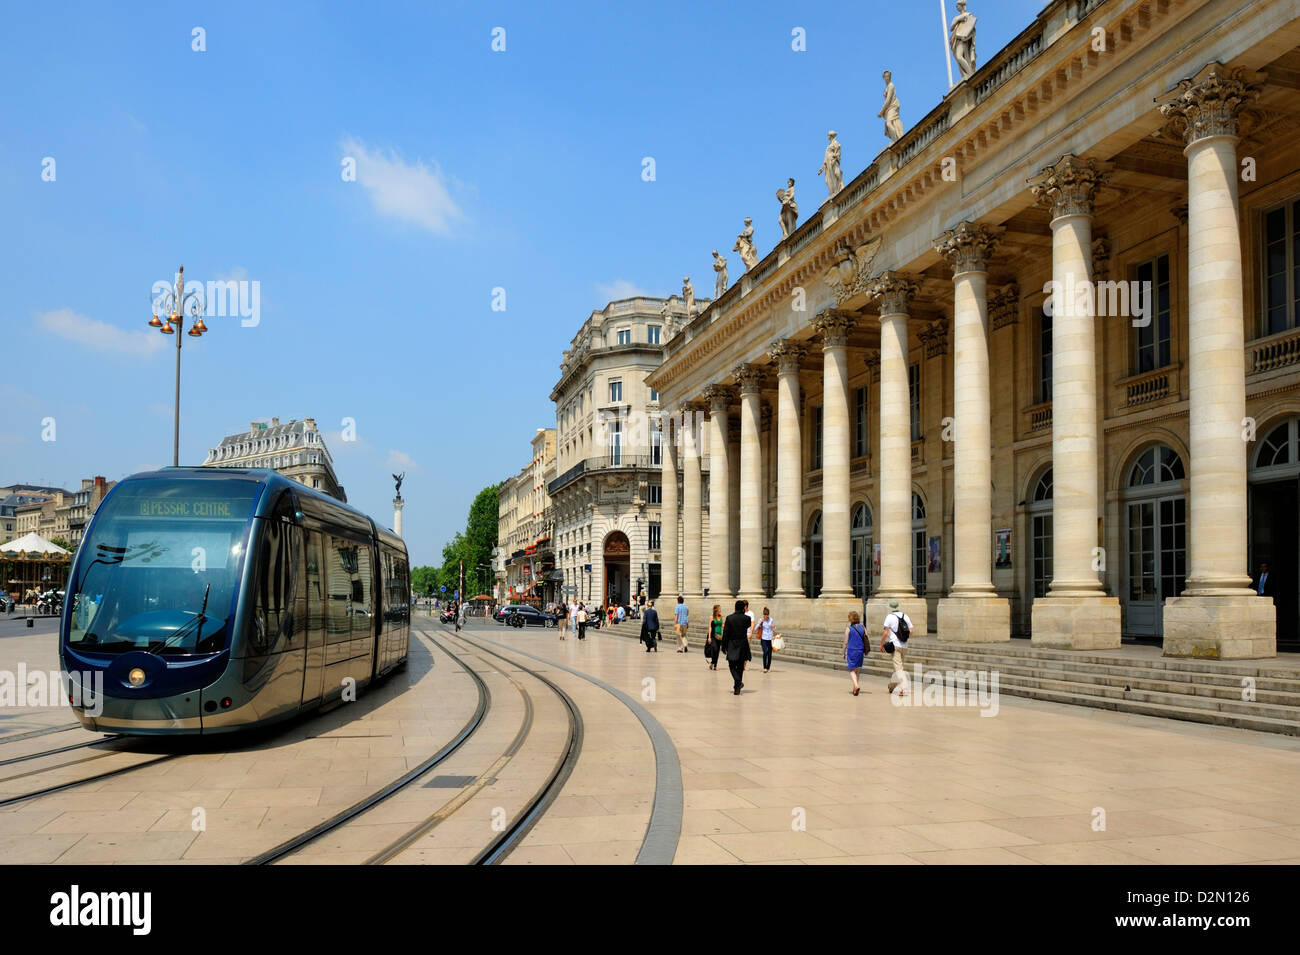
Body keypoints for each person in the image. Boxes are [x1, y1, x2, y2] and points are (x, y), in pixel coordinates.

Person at [881, 599, 914, 697]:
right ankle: (891, 686)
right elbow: (911, 630)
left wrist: (881, 644)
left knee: (899, 669)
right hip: (904, 645)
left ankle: (904, 689)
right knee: (898, 668)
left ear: (890, 608)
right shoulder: (905, 616)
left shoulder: (889, 617)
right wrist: (903, 637)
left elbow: (886, 632)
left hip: (895, 645)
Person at [721, 600, 753, 695]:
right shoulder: (747, 618)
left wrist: (723, 645)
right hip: (743, 643)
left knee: (731, 665)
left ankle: (737, 684)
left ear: (735, 607)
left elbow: (726, 633)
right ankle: (737, 685)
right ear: (743, 608)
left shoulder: (729, 618)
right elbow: (748, 625)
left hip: (732, 643)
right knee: (740, 666)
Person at [842, 611, 868, 696]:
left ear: (850, 619)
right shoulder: (863, 627)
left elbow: (845, 642)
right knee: (857, 669)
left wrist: (843, 653)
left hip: (852, 650)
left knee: (852, 670)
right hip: (860, 650)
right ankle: (854, 689)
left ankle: (856, 685)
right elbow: (867, 639)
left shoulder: (848, 628)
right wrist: (866, 650)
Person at [755, 607, 776, 673]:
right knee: (765, 652)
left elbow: (774, 629)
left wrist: (774, 627)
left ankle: (768, 667)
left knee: (769, 653)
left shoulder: (771, 620)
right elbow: (756, 629)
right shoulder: (761, 620)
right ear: (763, 614)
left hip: (770, 638)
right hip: (763, 638)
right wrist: (760, 623)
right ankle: (764, 667)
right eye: (765, 614)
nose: (766, 616)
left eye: (767, 615)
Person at [706, 604, 723, 670]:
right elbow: (710, 627)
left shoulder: (721, 616)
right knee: (715, 649)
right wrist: (709, 637)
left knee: (717, 650)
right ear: (716, 610)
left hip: (719, 636)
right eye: (719, 608)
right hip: (713, 635)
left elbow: (722, 626)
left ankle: (714, 665)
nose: (720, 610)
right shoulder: (711, 617)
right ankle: (713, 662)